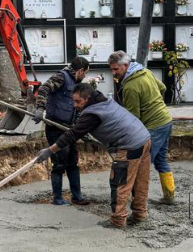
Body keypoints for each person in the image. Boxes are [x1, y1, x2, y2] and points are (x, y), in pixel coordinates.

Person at [37, 84, 151, 229]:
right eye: (73, 101)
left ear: (88, 98)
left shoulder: (92, 114)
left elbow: (72, 134)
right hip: (144, 138)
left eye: (78, 101)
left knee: (120, 183)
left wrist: (50, 150)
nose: (74, 105)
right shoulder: (103, 100)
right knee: (140, 181)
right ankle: (140, 215)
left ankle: (118, 220)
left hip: (130, 145)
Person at [108, 51, 176, 204]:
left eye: (115, 69)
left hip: (154, 126)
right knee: (161, 160)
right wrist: (153, 102)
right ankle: (169, 196)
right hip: (166, 120)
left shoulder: (130, 87)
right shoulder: (145, 71)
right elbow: (163, 87)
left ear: (125, 66)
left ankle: (138, 203)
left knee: (140, 165)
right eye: (111, 69)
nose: (113, 73)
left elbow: (134, 119)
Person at [33, 57, 91, 205]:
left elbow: (76, 108)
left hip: (69, 129)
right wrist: (40, 108)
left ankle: (77, 197)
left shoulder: (76, 84)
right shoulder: (61, 77)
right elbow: (44, 89)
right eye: (85, 74)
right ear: (80, 71)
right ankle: (57, 198)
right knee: (59, 163)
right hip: (56, 127)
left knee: (73, 163)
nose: (84, 77)